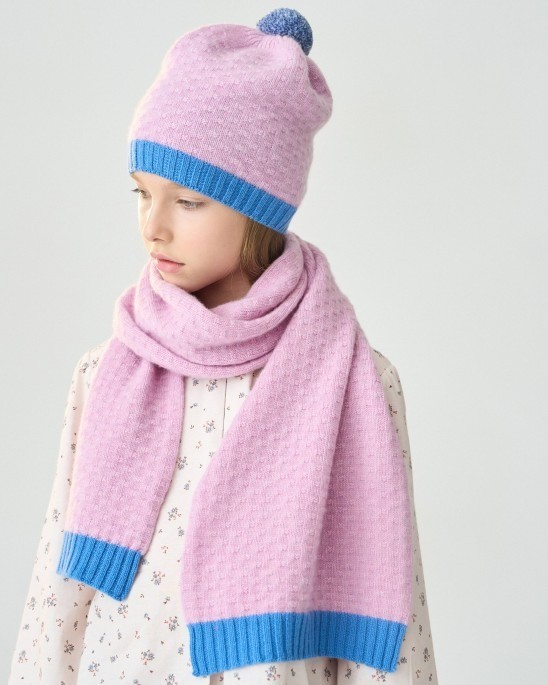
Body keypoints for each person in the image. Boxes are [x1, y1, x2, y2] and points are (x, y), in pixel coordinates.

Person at [8, 8, 438, 684]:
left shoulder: (355, 383)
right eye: (141, 194)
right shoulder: (104, 372)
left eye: (188, 201)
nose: (153, 226)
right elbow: (56, 589)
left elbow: (394, 603)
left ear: (258, 206)